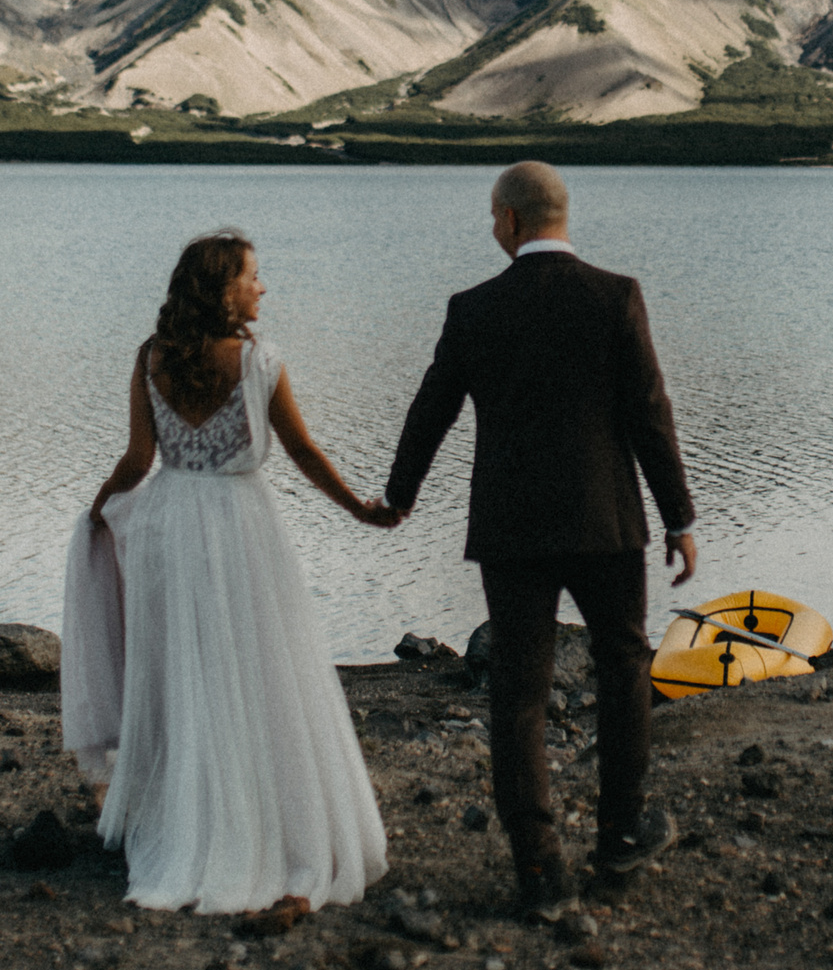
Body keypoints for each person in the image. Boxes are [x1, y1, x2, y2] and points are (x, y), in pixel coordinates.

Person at [384, 161, 698, 916]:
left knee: (519, 692)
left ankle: (538, 869)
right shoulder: (615, 295)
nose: (492, 227)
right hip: (605, 519)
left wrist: (399, 496)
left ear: (511, 219)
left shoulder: (473, 308)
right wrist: (679, 518)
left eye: (493, 216)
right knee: (624, 663)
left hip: (512, 525)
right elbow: (649, 411)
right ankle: (621, 834)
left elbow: (433, 409)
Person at [60, 230, 397, 915]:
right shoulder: (259, 361)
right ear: (224, 289)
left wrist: (97, 512)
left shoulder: (152, 357)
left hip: (170, 523)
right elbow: (301, 449)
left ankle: (181, 820)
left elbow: (136, 461)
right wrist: (358, 507)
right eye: (253, 274)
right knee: (261, 668)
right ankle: (263, 821)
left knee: (183, 671)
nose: (262, 286)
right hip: (243, 524)